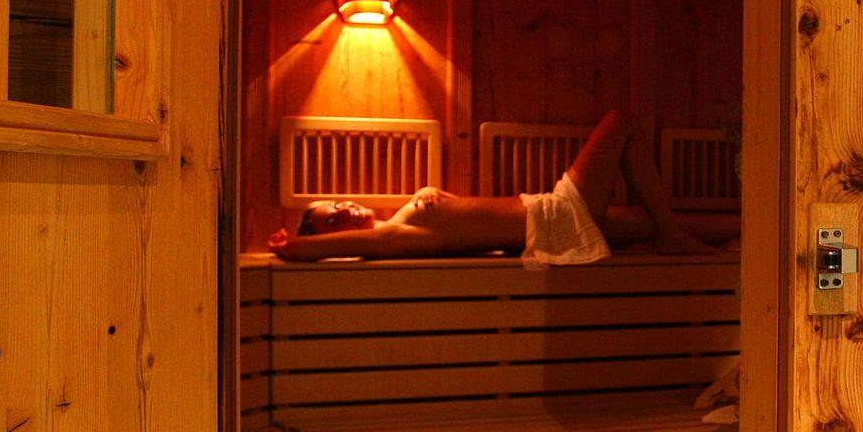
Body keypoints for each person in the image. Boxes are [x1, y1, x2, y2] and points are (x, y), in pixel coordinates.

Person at [267, 110, 733, 264]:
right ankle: (671, 235)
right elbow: (332, 248)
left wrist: (429, 190)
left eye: (338, 202)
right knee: (620, 121)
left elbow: (466, 219)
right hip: (554, 217)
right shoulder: (393, 236)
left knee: (648, 221)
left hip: (554, 217)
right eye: (334, 220)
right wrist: (292, 247)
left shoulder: (409, 215)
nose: (345, 209)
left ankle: (740, 230)